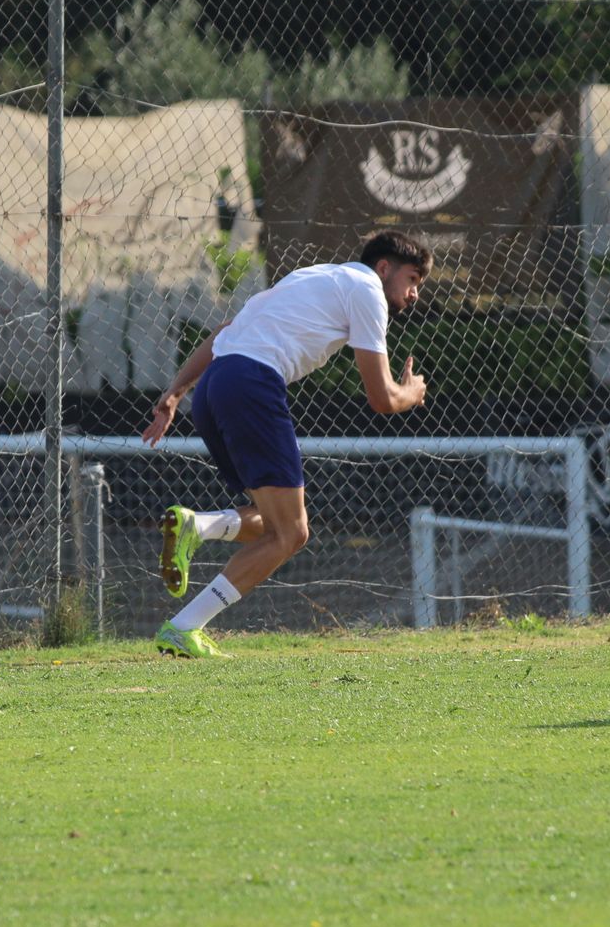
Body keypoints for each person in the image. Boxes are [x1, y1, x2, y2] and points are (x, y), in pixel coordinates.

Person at [141, 230, 431, 656]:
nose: (415, 293)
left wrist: (175, 392)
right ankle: (184, 626)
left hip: (215, 387)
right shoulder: (368, 288)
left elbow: (225, 330)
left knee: (272, 520)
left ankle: (196, 527)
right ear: (384, 267)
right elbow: (382, 398)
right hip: (251, 384)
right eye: (412, 279)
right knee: (292, 533)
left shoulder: (311, 277)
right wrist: (412, 392)